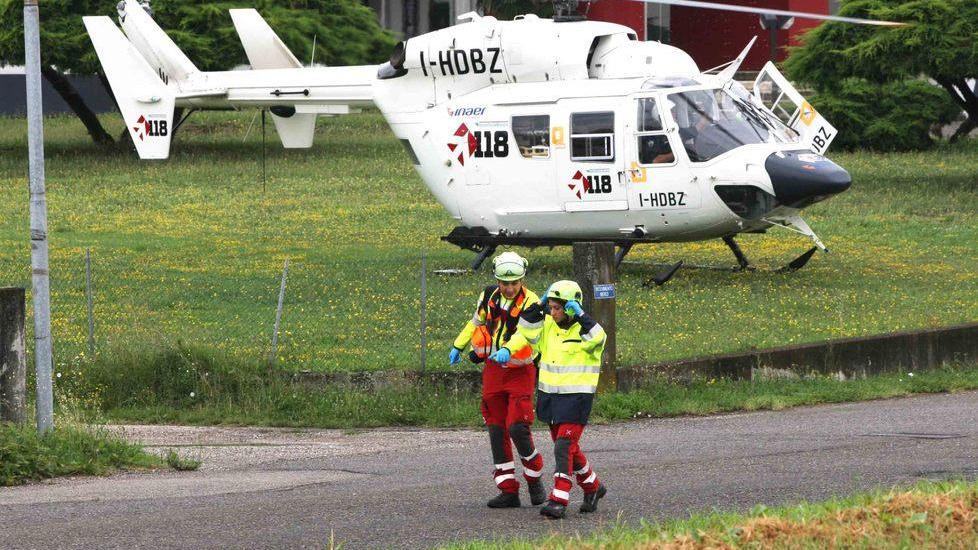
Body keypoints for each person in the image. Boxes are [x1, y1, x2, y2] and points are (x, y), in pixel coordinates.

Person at [493, 280, 608, 519]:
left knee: (563, 447)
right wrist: (540, 304)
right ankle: (593, 487)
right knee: (569, 449)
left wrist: (581, 313)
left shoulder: (585, 332)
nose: (553, 313)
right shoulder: (547, 325)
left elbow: (599, 337)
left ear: (570, 308)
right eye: (551, 307)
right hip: (551, 399)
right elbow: (524, 329)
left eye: (558, 308)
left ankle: (559, 498)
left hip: (576, 400)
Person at [449, 251, 546, 508]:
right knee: (496, 428)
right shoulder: (488, 295)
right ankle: (508, 490)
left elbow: (526, 335)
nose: (509, 288)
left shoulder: (533, 303)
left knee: (517, 426)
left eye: (515, 283)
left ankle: (535, 479)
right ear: (497, 280)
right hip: (493, 369)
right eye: (505, 283)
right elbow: (476, 322)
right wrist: (458, 345)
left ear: (522, 280)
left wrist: (508, 349)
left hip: (520, 371)